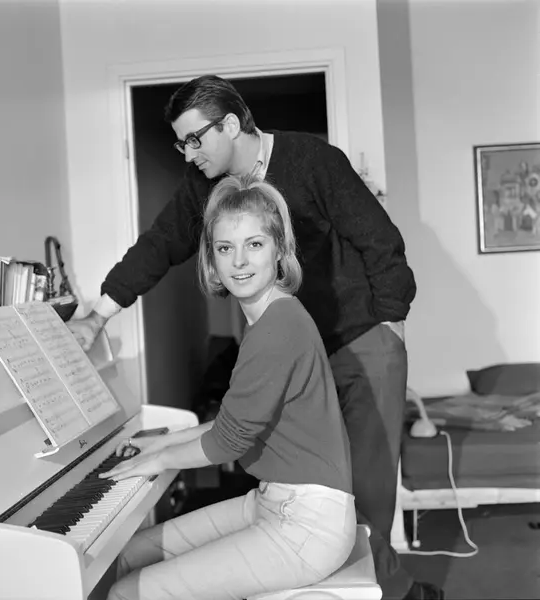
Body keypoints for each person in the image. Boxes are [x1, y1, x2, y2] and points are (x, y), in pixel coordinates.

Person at [69, 75, 443, 599]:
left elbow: (381, 240)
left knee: (368, 493)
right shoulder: (206, 187)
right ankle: (396, 589)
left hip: (362, 341)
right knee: (319, 483)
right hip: (299, 350)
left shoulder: (312, 159)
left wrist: (391, 323)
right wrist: (99, 315)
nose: (188, 153)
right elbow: (159, 244)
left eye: (194, 139)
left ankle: (396, 592)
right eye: (180, 143)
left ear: (229, 124)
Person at [100, 175, 357, 600]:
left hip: (308, 525)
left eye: (254, 244)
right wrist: (160, 444)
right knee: (129, 555)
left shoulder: (277, 329)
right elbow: (235, 423)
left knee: (129, 592)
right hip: (274, 501)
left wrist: (159, 460)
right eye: (224, 248)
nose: (239, 261)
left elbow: (228, 442)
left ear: (280, 250)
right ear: (212, 259)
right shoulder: (272, 318)